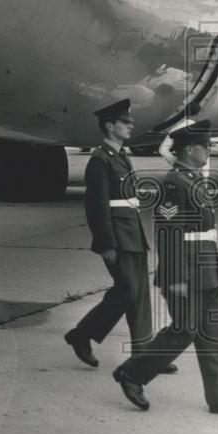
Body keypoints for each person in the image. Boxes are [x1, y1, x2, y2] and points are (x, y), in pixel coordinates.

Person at [112, 121, 218, 416]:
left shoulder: (193, 179)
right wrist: (175, 277)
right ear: (190, 149)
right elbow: (168, 233)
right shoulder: (173, 183)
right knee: (184, 329)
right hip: (186, 272)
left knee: (213, 334)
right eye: (205, 146)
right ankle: (131, 374)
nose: (209, 151)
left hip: (205, 269)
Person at [63, 100, 163, 370]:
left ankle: (144, 354)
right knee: (128, 291)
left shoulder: (120, 155)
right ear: (110, 125)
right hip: (117, 237)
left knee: (139, 294)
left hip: (133, 233)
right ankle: (82, 334)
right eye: (125, 122)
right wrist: (106, 243)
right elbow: (96, 207)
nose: (131, 126)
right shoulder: (99, 161)